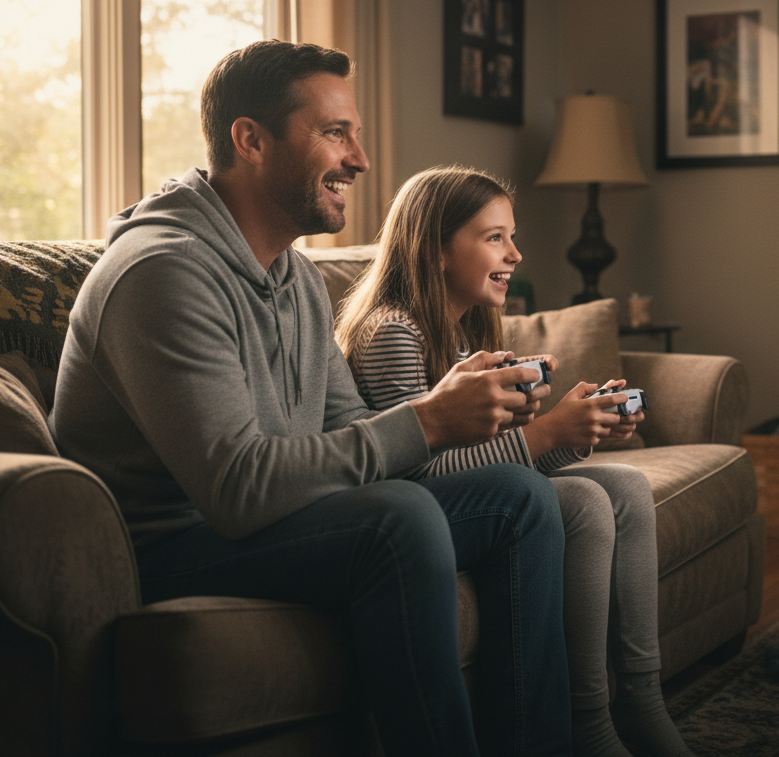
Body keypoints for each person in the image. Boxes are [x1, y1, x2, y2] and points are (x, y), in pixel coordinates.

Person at [48, 40, 571, 757]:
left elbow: (351, 429)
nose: (359, 159)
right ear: (250, 140)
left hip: (273, 519)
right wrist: (426, 419)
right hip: (173, 542)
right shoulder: (162, 273)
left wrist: (454, 414)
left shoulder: (291, 277)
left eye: (354, 134)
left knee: (519, 498)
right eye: (335, 133)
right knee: (400, 517)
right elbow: (236, 488)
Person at [335, 166, 698, 757]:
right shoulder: (393, 332)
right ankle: (588, 719)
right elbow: (417, 472)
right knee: (581, 500)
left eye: (512, 236)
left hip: (468, 499)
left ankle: (637, 696)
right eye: (495, 237)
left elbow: (492, 467)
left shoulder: (453, 335)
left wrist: (577, 430)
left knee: (626, 487)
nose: (516, 252)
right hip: (414, 515)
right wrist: (547, 431)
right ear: (436, 251)